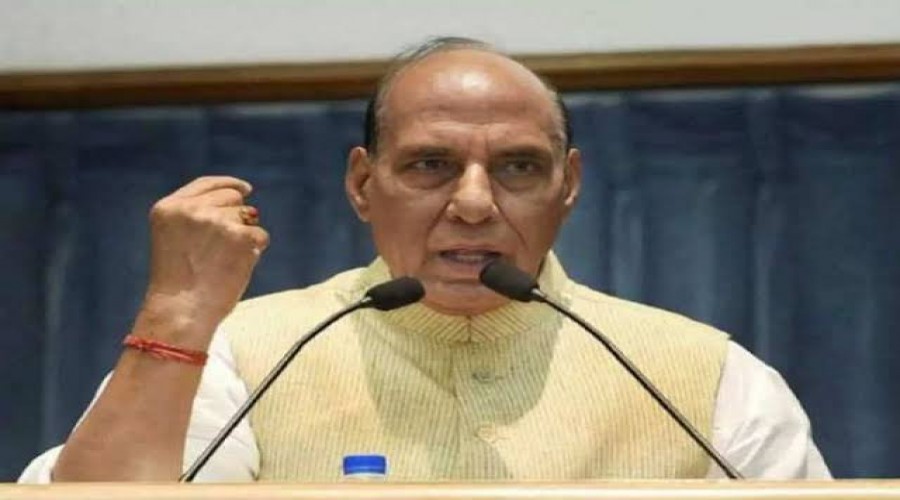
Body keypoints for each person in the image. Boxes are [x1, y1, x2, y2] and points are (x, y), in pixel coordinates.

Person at [20, 37, 830, 482]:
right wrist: (177, 314)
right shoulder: (241, 357)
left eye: (518, 167)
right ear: (362, 185)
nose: (474, 202)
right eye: (431, 165)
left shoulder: (705, 378)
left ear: (569, 186)